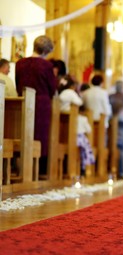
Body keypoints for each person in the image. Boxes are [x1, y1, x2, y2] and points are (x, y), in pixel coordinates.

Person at [15, 35, 57, 175]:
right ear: (46, 51)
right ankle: (38, 169)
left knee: (23, 132)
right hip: (41, 104)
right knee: (40, 136)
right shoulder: (46, 65)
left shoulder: (20, 63)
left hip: (23, 101)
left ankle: (20, 166)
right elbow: (52, 88)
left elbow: (18, 84)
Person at [58, 75, 94, 175]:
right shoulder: (70, 93)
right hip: (70, 121)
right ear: (73, 86)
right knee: (84, 140)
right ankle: (82, 168)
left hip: (60, 121)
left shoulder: (61, 93)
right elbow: (79, 102)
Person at [109, 80, 123, 178]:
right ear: (122, 88)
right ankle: (121, 172)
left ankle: (110, 170)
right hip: (122, 124)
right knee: (121, 148)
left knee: (111, 146)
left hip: (111, 123)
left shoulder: (110, 96)